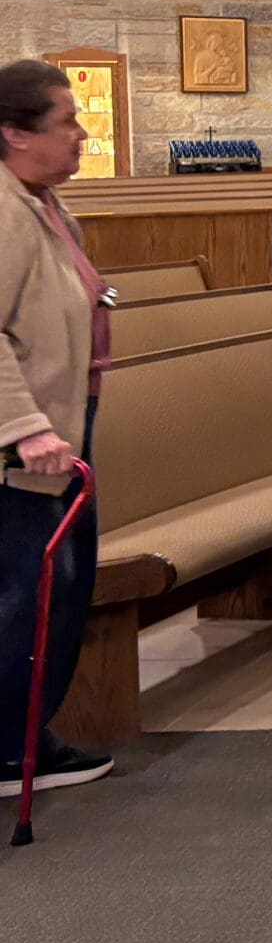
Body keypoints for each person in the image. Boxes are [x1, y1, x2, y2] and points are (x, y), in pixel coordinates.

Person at [0, 59, 113, 796]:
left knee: (61, 588)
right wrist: (23, 425)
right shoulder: (4, 210)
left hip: (61, 431)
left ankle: (24, 735)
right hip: (23, 448)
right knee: (25, 592)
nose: (80, 135)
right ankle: (10, 748)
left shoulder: (40, 202)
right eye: (66, 122)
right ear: (13, 133)